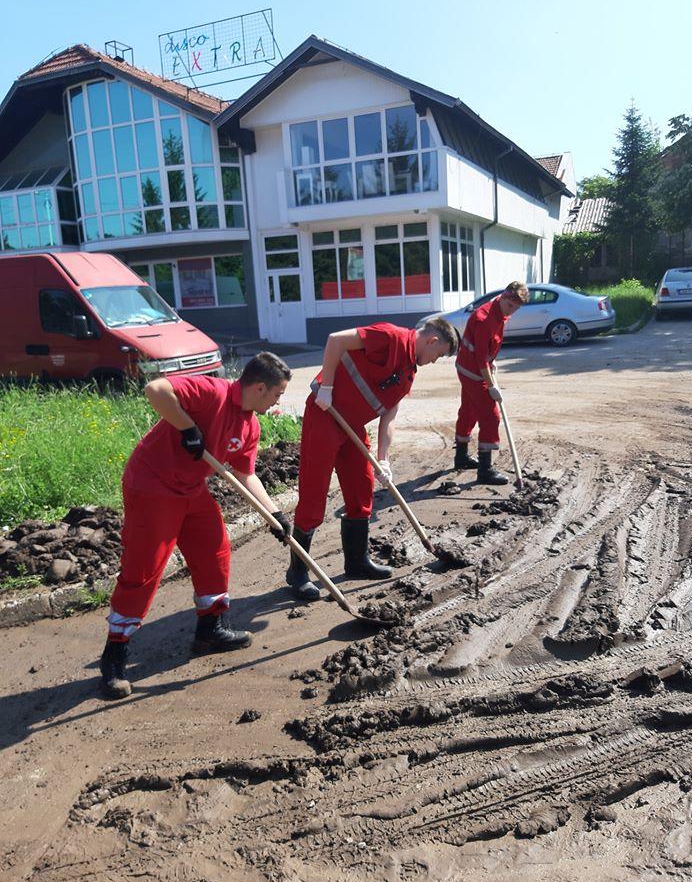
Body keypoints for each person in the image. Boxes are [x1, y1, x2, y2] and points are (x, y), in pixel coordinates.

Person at [99, 352, 293, 699]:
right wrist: (187, 427)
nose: (279, 400)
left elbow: (245, 474)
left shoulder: (250, 424)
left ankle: (211, 628)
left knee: (213, 549)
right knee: (144, 568)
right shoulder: (212, 392)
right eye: (278, 393)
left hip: (190, 488)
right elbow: (155, 389)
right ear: (261, 388)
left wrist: (274, 514)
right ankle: (114, 654)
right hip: (152, 484)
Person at [286, 317, 458, 601]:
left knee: (361, 488)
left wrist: (384, 460)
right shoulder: (390, 336)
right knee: (314, 494)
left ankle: (356, 562)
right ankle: (298, 571)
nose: (434, 360)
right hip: (325, 414)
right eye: (438, 355)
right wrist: (326, 386)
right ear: (432, 341)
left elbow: (388, 418)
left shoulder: (408, 372)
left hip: (352, 426)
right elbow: (336, 339)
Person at [453, 281, 529, 484]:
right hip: (472, 372)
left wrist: (491, 359)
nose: (512, 311)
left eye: (516, 308)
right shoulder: (484, 318)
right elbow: (479, 359)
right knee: (490, 416)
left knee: (469, 410)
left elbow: (486, 349)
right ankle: (485, 471)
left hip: (469, 367)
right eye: (510, 306)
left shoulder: (499, 313)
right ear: (504, 295)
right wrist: (492, 386)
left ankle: (461, 457)